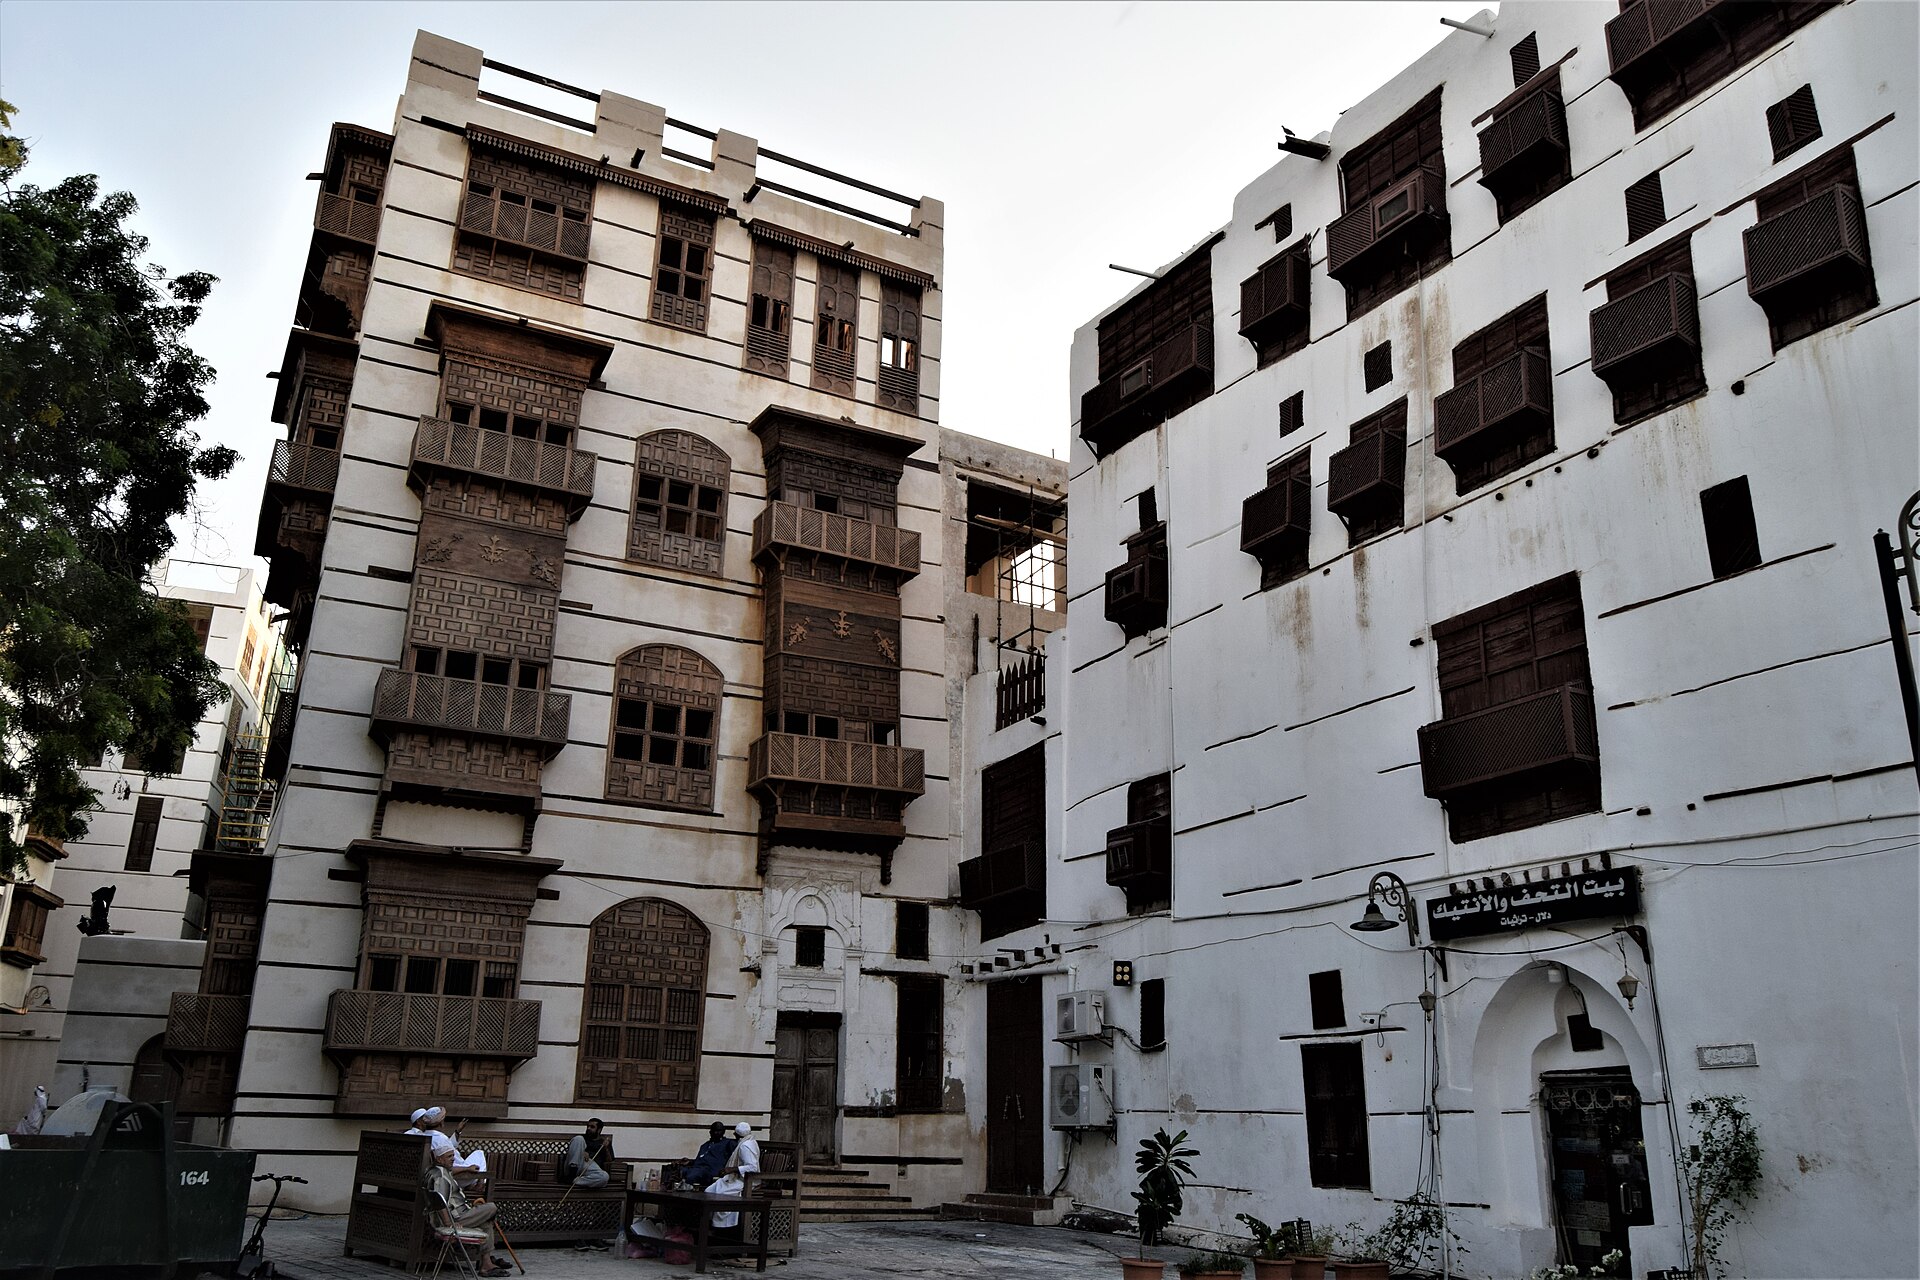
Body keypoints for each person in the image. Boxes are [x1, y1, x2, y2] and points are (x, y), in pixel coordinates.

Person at [704, 1121, 762, 1230]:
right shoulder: (747, 1141)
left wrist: (732, 1169)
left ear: (737, 1135)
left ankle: (725, 1226)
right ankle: (712, 1223)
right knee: (710, 1190)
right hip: (739, 1178)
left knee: (721, 1193)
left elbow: (752, 1167)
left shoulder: (745, 1146)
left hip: (746, 1180)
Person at [410, 1105, 487, 1183]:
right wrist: (467, 1168)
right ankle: (480, 1184)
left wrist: (457, 1132)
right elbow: (450, 1164)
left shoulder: (423, 1136)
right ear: (441, 1123)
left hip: (432, 1174)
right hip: (453, 1176)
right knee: (479, 1153)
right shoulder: (442, 1139)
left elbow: (447, 1147)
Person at [678, 1120, 735, 1189]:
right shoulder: (705, 1145)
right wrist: (690, 1162)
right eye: (713, 1130)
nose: (715, 1133)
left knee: (693, 1175)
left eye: (718, 1130)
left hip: (711, 1171)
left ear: (723, 1132)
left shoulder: (728, 1143)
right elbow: (701, 1160)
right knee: (676, 1170)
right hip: (698, 1168)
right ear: (710, 1132)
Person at [560, 1116, 613, 1189]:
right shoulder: (581, 1139)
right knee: (578, 1139)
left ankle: (573, 1180)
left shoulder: (603, 1142)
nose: (588, 1128)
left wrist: (606, 1148)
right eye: (588, 1126)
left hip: (590, 1169)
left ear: (599, 1130)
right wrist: (582, 1152)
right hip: (576, 1163)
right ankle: (571, 1174)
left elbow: (609, 1161)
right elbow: (571, 1152)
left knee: (604, 1177)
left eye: (592, 1127)